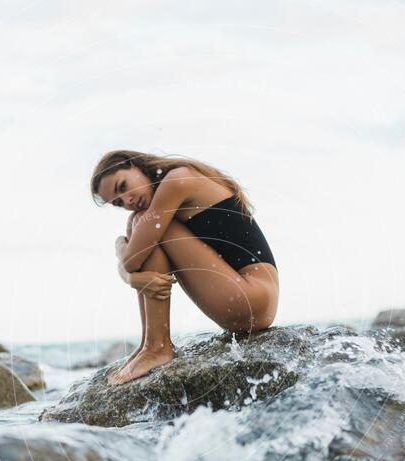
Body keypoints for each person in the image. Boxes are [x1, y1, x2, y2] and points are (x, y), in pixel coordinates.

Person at [91, 150, 279, 385]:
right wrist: (131, 274)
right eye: (118, 202)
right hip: (247, 301)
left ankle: (158, 347)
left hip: (252, 297)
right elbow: (135, 257)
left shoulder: (177, 180)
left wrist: (120, 249)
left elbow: (132, 260)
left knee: (143, 224)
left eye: (123, 186)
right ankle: (149, 343)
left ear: (135, 165)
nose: (127, 200)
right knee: (141, 224)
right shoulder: (165, 193)